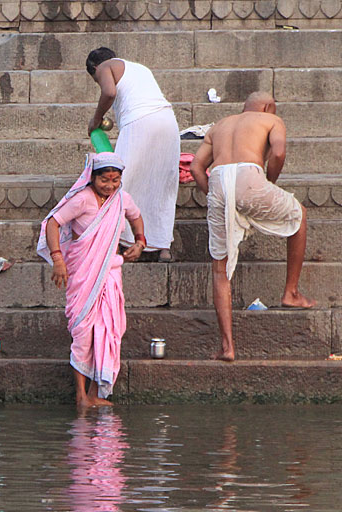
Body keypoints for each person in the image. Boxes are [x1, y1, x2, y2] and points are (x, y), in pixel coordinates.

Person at [189, 91, 316, 362]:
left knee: (219, 270)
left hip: (219, 181)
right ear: (268, 106)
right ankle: (291, 292)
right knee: (299, 215)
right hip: (250, 176)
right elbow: (278, 153)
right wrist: (269, 182)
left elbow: (196, 168)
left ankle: (227, 347)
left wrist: (213, 195)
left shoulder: (219, 125)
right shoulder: (271, 120)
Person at [38, 152, 145, 408]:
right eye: (104, 180)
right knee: (83, 329)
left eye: (115, 180)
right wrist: (58, 260)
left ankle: (96, 393)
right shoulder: (82, 199)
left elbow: (136, 216)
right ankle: (80, 395)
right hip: (83, 273)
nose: (110, 186)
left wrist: (140, 242)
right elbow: (52, 223)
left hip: (110, 275)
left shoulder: (121, 199)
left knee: (108, 329)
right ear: (93, 178)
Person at [86, 47, 180, 262]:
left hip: (140, 122)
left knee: (120, 180)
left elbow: (109, 93)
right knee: (162, 184)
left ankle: (117, 241)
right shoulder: (140, 68)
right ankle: (162, 246)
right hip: (167, 121)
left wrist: (96, 119)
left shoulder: (105, 66)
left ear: (94, 68)